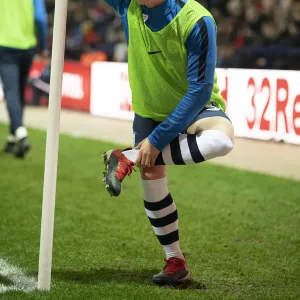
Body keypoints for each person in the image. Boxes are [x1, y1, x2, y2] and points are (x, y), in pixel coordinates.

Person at [103, 0, 234, 286]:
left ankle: (130, 157)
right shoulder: (129, 6)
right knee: (152, 177)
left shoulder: (197, 20)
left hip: (195, 107)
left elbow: (199, 91)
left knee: (222, 140)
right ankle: (174, 260)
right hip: (150, 112)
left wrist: (156, 141)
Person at [0, 0, 49, 158]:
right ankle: (12, 137)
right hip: (27, 47)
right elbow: (40, 18)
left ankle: (21, 133)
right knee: (19, 91)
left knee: (11, 91)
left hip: (5, 45)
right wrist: (43, 46)